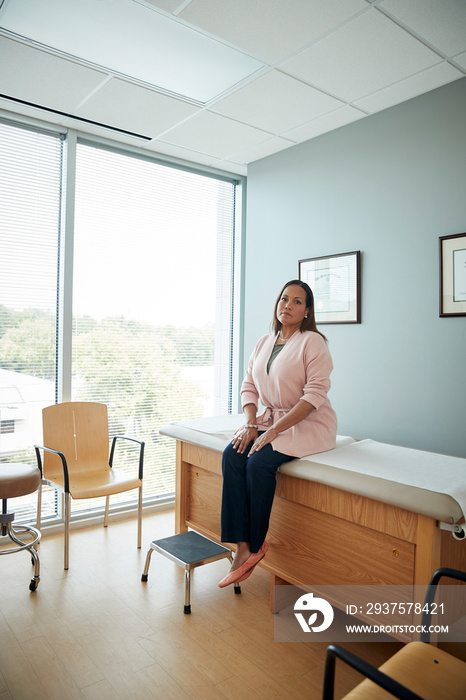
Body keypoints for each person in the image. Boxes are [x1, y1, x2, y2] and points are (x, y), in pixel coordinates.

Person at [218, 279, 337, 588]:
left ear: (307, 311)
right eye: (285, 298)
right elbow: (249, 386)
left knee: (258, 463)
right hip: (267, 420)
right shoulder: (264, 342)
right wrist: (251, 423)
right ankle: (241, 547)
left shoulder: (313, 342)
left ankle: (256, 546)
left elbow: (314, 396)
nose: (288, 305)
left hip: (307, 423)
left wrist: (272, 432)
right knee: (232, 455)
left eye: (297, 301)